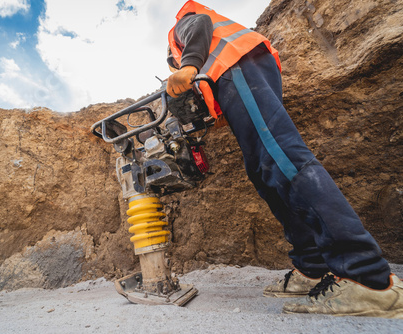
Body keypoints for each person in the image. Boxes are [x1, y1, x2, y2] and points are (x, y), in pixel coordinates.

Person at [166, 1, 403, 318]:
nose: (173, 64)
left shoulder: (184, 24)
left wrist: (187, 66)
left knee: (282, 158)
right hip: (240, 75)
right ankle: (314, 268)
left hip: (236, 69)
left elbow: (199, 27)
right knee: (264, 174)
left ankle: (366, 276)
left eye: (172, 62)